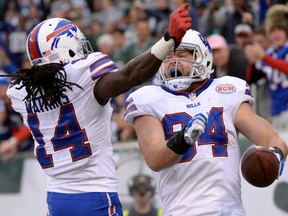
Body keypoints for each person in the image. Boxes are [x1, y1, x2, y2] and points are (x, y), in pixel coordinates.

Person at [0, 4, 192, 216]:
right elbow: (131, 75)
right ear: (67, 47)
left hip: (56, 199)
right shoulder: (83, 76)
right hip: (95, 196)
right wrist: (169, 38)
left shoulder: (21, 93)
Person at [124, 29, 287, 216]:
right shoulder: (148, 98)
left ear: (201, 56)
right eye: (168, 56)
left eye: (182, 55)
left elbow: (271, 138)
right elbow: (154, 158)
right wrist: (184, 139)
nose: (173, 62)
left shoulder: (227, 90)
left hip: (229, 210)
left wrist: (275, 155)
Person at [244, 4, 288, 130]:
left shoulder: (268, 55)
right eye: (273, 30)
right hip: (276, 110)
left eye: (280, 30)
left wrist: (263, 57)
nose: (276, 34)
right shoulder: (270, 53)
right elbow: (252, 79)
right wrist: (252, 62)